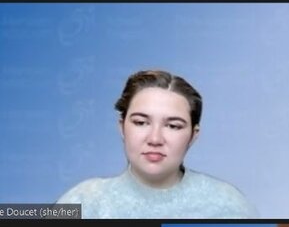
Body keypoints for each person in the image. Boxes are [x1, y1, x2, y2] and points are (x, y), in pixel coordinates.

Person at [56, 69, 255, 218]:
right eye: (141, 123)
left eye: (173, 126)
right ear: (122, 127)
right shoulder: (83, 202)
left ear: (193, 136)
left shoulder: (227, 205)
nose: (155, 139)